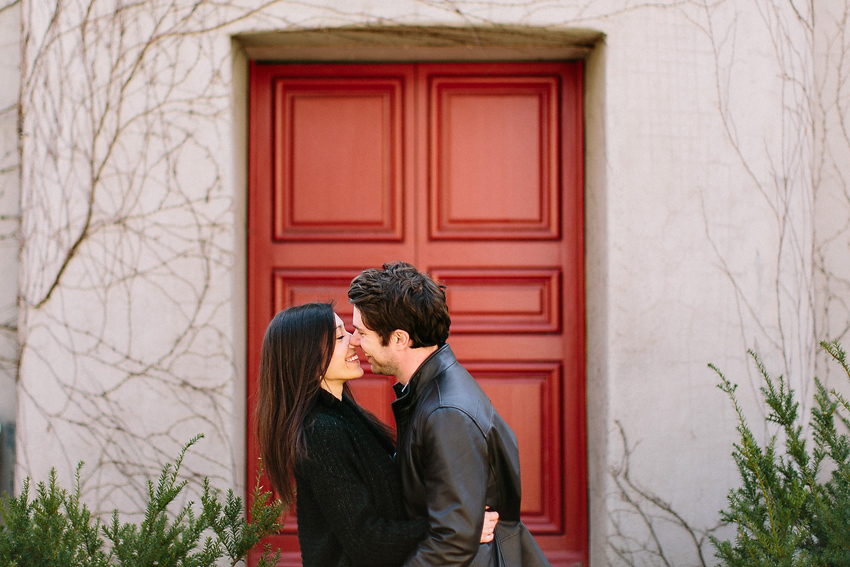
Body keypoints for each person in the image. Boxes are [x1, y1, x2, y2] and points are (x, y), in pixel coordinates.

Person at [254, 302, 498, 567]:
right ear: (306, 356)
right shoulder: (321, 432)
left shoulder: (345, 416)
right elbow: (368, 541)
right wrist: (457, 526)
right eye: (339, 336)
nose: (354, 341)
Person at [348, 262, 551, 567]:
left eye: (362, 332)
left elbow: (453, 541)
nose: (353, 340)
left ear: (399, 339)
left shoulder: (446, 413)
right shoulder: (427, 393)